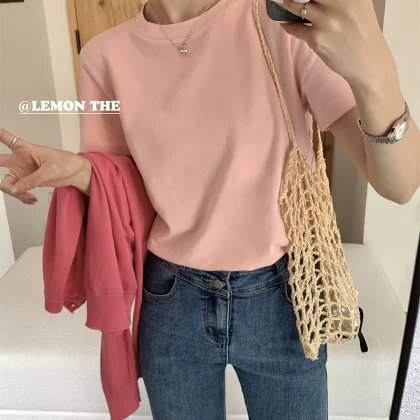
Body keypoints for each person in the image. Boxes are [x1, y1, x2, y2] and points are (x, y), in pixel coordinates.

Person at [1, 0, 419, 419]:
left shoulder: (281, 26)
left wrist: (375, 70)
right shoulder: (103, 56)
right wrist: (78, 170)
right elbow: (121, 188)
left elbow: (400, 184)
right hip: (171, 300)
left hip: (284, 300)